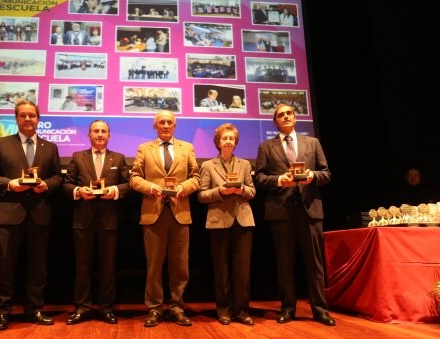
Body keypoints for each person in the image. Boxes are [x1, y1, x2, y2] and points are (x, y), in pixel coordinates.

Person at [0, 100, 63, 331]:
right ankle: (1, 312)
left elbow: (58, 177)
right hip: (8, 214)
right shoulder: (1, 144)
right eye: (23, 116)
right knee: (4, 266)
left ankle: (34, 309)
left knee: (38, 266)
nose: (28, 119)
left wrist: (45, 185)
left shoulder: (50, 147)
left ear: (38, 119)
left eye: (32, 115)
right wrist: (10, 184)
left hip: (39, 214)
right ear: (16, 119)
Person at [254, 103, 335, 326]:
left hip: (310, 210)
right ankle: (288, 309)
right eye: (281, 115)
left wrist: (312, 176)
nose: (286, 117)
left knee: (315, 263)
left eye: (289, 113)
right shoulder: (266, 147)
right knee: (284, 263)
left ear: (295, 118)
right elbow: (258, 179)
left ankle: (320, 310)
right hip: (281, 212)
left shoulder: (313, 142)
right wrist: (280, 180)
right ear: (275, 121)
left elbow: (326, 173)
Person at [130, 110, 200, 327]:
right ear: (155, 126)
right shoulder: (144, 148)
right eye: (162, 122)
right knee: (154, 266)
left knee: (180, 267)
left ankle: (177, 307)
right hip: (153, 214)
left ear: (175, 125)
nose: (166, 125)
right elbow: (134, 178)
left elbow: (196, 177)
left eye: (170, 122)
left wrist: (183, 187)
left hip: (180, 214)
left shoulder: (187, 147)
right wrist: (151, 188)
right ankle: (154, 309)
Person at [63, 120, 130, 325]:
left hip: (109, 221)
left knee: (108, 267)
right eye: (96, 131)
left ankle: (106, 308)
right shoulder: (77, 157)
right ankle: (82, 308)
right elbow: (67, 183)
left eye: (103, 131)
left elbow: (128, 183)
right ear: (89, 135)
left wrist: (115, 191)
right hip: (83, 220)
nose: (100, 134)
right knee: (82, 267)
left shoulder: (118, 158)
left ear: (109, 135)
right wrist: (78, 191)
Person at [197, 123, 256, 326]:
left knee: (243, 269)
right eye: (225, 138)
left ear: (236, 142)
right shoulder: (207, 165)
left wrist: (242, 191)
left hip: (243, 219)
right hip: (218, 221)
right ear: (218, 142)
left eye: (231, 138)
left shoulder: (245, 164)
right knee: (221, 269)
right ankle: (223, 310)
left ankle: (242, 311)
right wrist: (220, 191)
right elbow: (202, 195)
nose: (228, 141)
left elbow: (252, 191)